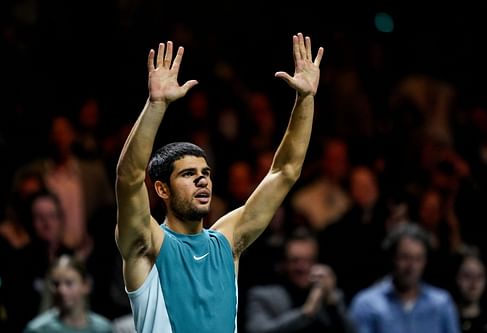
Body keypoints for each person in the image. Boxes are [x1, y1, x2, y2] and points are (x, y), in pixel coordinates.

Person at [114, 32, 323, 333]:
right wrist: (156, 105)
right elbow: (129, 178)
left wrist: (305, 99)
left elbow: (285, 171)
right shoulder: (146, 243)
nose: (202, 179)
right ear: (161, 189)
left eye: (206, 173)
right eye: (188, 174)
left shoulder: (228, 240)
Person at [349, 222, 460, 333]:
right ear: (392, 258)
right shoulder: (367, 304)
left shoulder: (441, 303)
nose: (411, 267)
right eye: (405, 258)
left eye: (418, 259)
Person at [244, 227, 356, 333]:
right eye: (295, 261)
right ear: (283, 264)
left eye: (309, 260)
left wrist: (332, 301)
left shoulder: (331, 296)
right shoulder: (261, 297)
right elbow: (257, 331)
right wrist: (306, 313)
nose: (303, 267)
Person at [23, 254, 112, 333]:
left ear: (86, 285)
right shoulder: (38, 329)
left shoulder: (104, 328)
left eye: (69, 283)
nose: (62, 290)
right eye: (56, 284)